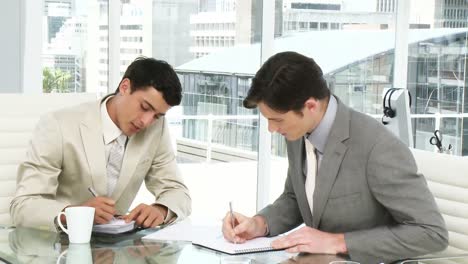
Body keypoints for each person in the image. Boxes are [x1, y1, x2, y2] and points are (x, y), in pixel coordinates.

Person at [222, 51, 448, 263]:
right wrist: (260, 224)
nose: (271, 129)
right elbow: (296, 199)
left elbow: (431, 232)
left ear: (310, 106)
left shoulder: (377, 146)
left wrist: (337, 242)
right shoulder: (297, 132)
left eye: (277, 120)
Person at [11, 57, 191, 231]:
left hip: (115, 250)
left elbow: (177, 192)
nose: (146, 121)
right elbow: (23, 206)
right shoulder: (58, 124)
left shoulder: (155, 129)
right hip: (58, 247)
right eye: (145, 107)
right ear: (125, 87)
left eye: (157, 116)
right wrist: (73, 214)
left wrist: (161, 209)